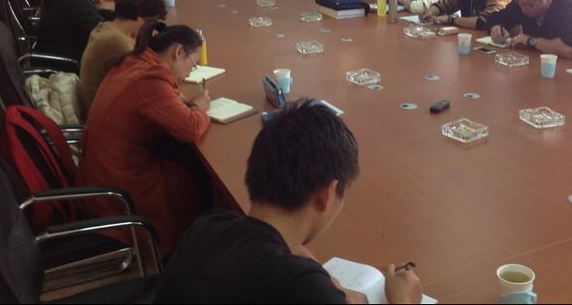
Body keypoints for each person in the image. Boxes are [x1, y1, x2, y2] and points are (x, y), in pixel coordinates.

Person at [154, 101, 422, 304]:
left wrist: (321, 279)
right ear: (327, 194)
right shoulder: (301, 289)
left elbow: (275, 250)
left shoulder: (208, 225)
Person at [77, 21, 211, 256]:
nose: (190, 72)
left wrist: (181, 101)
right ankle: (189, 250)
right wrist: (200, 107)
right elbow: (190, 128)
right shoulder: (149, 80)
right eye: (192, 64)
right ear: (178, 52)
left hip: (98, 170)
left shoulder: (135, 61)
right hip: (118, 184)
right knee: (190, 180)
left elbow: (166, 98)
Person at [80, 0, 167, 116]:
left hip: (100, 109)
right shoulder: (118, 42)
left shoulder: (108, 27)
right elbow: (152, 84)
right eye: (153, 24)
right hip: (106, 116)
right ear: (141, 18)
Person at [36, 0, 112, 62]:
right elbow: (104, 34)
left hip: (51, 55)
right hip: (64, 65)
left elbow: (93, 15)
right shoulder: (78, 2)